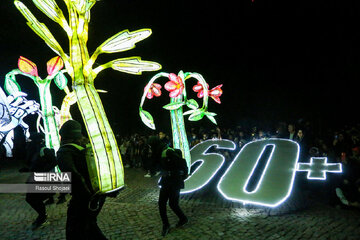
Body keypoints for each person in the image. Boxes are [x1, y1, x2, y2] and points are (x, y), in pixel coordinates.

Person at [57, 120, 107, 240]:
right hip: (99, 193)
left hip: (84, 197)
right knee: (89, 224)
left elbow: (72, 175)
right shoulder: (87, 147)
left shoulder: (65, 151)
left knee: (74, 230)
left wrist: (84, 196)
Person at [148, 136, 188, 237]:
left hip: (174, 181)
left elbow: (182, 162)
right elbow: (154, 166)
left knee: (173, 204)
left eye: (150, 146)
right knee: (162, 203)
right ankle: (166, 224)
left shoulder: (167, 151)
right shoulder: (159, 152)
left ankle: (183, 219)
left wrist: (183, 176)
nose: (150, 148)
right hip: (167, 181)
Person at [25, 133, 57, 230]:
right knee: (31, 198)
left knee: (33, 198)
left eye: (31, 140)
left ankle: (43, 217)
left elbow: (55, 161)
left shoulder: (44, 150)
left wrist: (43, 172)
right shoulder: (36, 151)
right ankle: (42, 216)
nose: (29, 142)